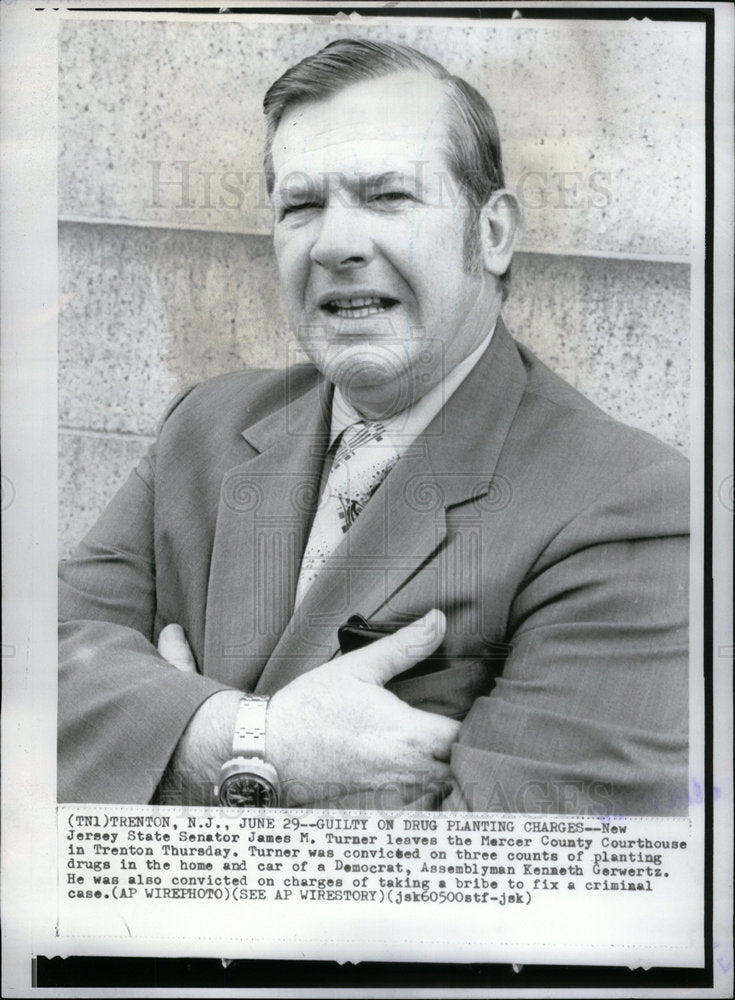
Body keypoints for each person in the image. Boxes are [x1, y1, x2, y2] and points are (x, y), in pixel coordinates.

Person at [58, 38, 689, 813]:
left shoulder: (631, 503)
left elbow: (521, 880)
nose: (335, 245)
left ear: (491, 234)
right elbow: (31, 681)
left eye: (388, 196)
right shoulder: (206, 426)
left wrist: (151, 734)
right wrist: (248, 746)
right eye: (300, 206)